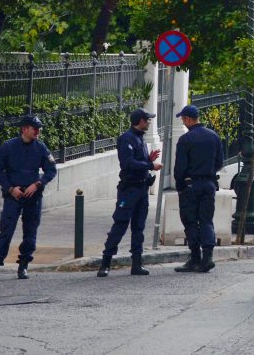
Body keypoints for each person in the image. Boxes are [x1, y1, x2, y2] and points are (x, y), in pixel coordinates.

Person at [0, 116, 57, 281]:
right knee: (6, 230)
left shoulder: (41, 148)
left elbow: (51, 170)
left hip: (33, 195)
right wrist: (10, 188)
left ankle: (23, 265)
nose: (38, 131)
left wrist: (38, 184)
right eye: (35, 128)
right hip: (14, 195)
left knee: (30, 231)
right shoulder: (8, 147)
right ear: (25, 129)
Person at [96, 109, 162, 278]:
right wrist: (149, 166)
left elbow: (138, 161)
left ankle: (137, 264)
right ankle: (106, 263)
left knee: (139, 227)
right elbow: (128, 163)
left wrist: (149, 160)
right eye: (147, 120)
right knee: (120, 224)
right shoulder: (126, 138)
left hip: (141, 189)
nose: (149, 122)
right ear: (140, 120)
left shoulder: (140, 138)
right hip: (129, 190)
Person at [172, 105, 224, 273]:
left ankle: (195, 257)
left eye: (183, 119)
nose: (183, 122)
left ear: (188, 119)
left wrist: (180, 186)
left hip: (190, 185)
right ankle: (207, 257)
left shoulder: (186, 140)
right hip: (208, 184)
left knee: (190, 221)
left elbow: (180, 168)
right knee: (207, 220)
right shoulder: (214, 136)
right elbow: (219, 162)